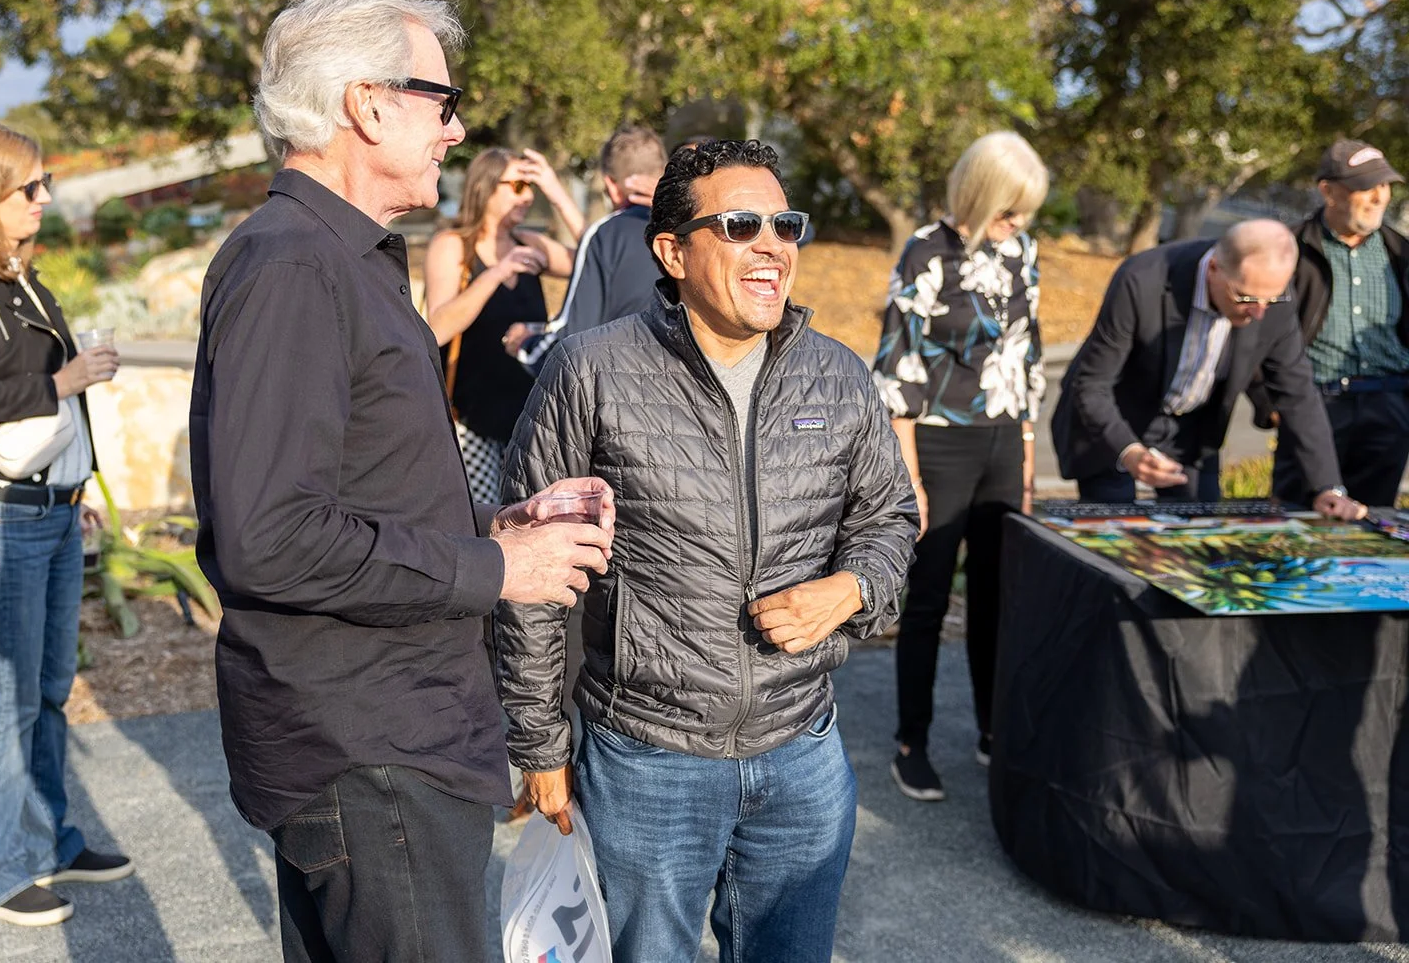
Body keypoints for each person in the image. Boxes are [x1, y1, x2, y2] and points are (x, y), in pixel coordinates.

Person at [188, 0, 616, 963]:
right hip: (369, 750)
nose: (456, 130)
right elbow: (272, 536)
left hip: (389, 735)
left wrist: (500, 529)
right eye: (442, 101)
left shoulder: (344, 260)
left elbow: (358, 488)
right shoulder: (294, 264)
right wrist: (494, 570)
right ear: (367, 103)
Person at [494, 139, 918, 963]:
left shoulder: (839, 376)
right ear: (672, 249)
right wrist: (540, 743)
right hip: (648, 761)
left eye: (785, 224)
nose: (773, 244)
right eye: (741, 224)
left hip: (804, 753)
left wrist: (856, 587)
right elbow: (533, 571)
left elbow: (889, 518)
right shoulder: (591, 370)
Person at [0, 121, 130, 927]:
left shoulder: (24, 279)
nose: (45, 198)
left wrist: (86, 485)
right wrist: (62, 377)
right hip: (1, 520)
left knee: (48, 690)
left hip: (54, 508)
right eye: (29, 187)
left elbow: (61, 401)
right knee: (5, 698)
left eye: (45, 185)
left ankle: (49, 841)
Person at [873, 131, 1047, 803]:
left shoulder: (1022, 251)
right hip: (939, 444)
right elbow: (897, 370)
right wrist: (908, 478)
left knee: (997, 597)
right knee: (928, 596)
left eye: (1025, 212)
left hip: (1005, 439)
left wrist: (1027, 460)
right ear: (979, 194)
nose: (1018, 224)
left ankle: (992, 728)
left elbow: (1028, 359)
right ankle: (911, 741)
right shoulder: (926, 252)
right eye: (1010, 209)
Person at [1050, 219, 1366, 519]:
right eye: (1245, 298)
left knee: (1198, 537)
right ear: (1214, 268)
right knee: (1114, 538)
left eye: (1270, 300)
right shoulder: (1143, 279)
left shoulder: (1271, 297)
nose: (1259, 313)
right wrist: (1130, 452)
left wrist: (1327, 486)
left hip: (1191, 427)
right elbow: (1091, 383)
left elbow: (1297, 393)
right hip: (1116, 418)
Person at [422, 146, 582, 500]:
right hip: (472, 423)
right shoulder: (454, 246)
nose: (527, 197)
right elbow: (438, 328)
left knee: (532, 520)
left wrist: (557, 193)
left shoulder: (530, 243)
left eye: (531, 187)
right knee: (483, 524)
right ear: (487, 188)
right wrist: (495, 273)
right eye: (518, 186)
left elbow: (596, 260)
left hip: (532, 419)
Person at [1267, 141, 1409, 507]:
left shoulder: (1401, 252)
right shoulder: (1289, 248)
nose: (1379, 197)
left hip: (1388, 405)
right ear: (1328, 191)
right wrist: (1269, 402)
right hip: (1313, 405)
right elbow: (1255, 330)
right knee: (1297, 526)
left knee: (1373, 531)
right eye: (1367, 186)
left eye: (1385, 185)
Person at [509, 124, 667, 371]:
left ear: (611, 185)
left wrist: (525, 344)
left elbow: (573, 343)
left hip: (622, 391)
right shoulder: (692, 232)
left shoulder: (607, 234)